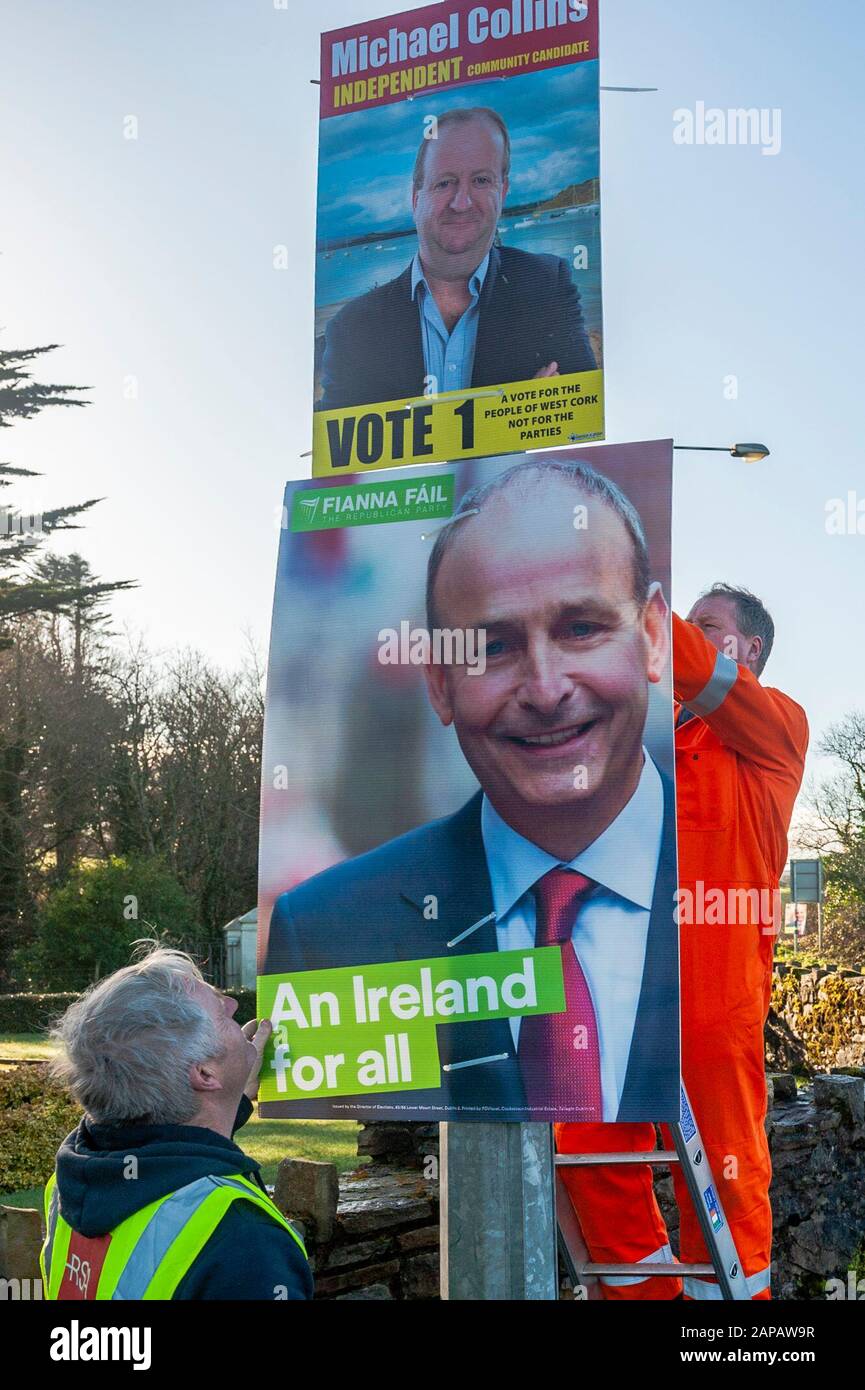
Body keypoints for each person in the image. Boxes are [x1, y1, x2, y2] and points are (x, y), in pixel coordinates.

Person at [264, 458, 679, 1123]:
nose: (545, 691)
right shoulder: (328, 936)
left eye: (581, 629)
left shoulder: (727, 888)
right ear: (438, 682)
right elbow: (356, 1160)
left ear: (654, 636)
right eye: (492, 645)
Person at [556, 584, 809, 1301]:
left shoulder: (776, 726)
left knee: (726, 1171)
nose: (689, 636)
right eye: (686, 624)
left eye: (707, 626)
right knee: (589, 1148)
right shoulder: (644, 731)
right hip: (617, 989)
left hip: (713, 997)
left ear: (748, 649)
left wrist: (618, 593)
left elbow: (696, 668)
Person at [40, 946, 313, 1301]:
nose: (232, 1004)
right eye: (219, 1011)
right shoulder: (244, 1237)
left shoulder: (74, 1181)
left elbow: (166, 1158)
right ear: (204, 1072)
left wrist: (233, 1098)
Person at [317, 107, 596, 411]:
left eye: (480, 181)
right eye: (444, 183)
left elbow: (580, 414)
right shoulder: (353, 328)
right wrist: (513, 410)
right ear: (415, 199)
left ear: (502, 193)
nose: (461, 203)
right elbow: (339, 447)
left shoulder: (547, 284)